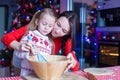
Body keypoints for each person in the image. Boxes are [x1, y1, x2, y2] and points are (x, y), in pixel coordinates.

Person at [1, 10, 80, 75]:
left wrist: (72, 62)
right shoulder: (36, 28)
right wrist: (19, 46)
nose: (57, 30)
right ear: (55, 19)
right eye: (58, 24)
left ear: (67, 34)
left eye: (64, 31)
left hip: (38, 64)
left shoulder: (66, 40)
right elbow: (6, 38)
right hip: (21, 60)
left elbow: (75, 66)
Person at [13, 8, 57, 76]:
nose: (46, 28)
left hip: (40, 76)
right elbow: (18, 53)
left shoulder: (50, 43)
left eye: (50, 26)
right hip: (26, 75)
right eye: (44, 24)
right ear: (37, 22)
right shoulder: (30, 35)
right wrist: (29, 54)